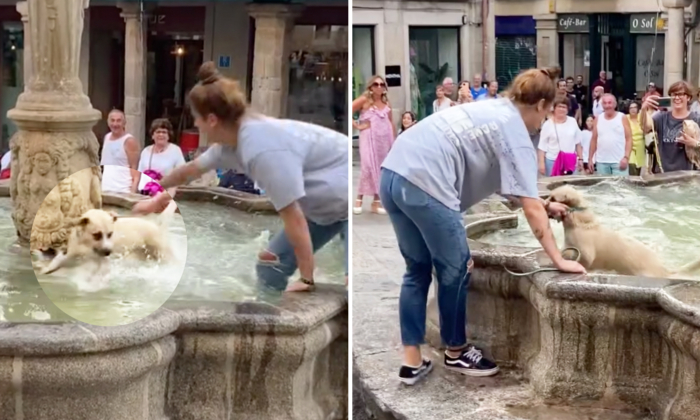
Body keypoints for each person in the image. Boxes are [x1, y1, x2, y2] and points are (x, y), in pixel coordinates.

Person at [378, 66, 586, 386]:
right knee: (458, 266)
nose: (541, 123)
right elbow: (529, 208)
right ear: (542, 105)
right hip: (427, 183)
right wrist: (558, 259)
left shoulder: (492, 108)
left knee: (417, 269)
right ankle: (457, 350)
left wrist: (545, 204)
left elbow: (510, 185)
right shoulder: (515, 130)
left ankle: (411, 362)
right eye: (544, 117)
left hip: (393, 174)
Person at [132, 61, 349, 292]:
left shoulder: (262, 150)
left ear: (212, 119)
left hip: (344, 201)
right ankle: (270, 319)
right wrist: (156, 198)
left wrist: (306, 279)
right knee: (269, 266)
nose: (196, 124)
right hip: (321, 209)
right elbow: (189, 171)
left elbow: (294, 217)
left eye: (197, 117)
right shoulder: (231, 141)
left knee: (351, 286)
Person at [352, 75, 396, 215]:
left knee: (380, 168)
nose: (379, 87)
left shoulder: (387, 103)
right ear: (370, 87)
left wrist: (395, 141)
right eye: (376, 84)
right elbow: (350, 110)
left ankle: (376, 202)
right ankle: (359, 198)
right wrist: (357, 126)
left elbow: (391, 122)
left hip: (384, 139)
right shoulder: (365, 100)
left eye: (382, 85)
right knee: (367, 166)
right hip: (369, 137)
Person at [641, 80, 700, 173]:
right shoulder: (661, 117)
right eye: (673, 94)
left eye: (680, 94)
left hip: (687, 176)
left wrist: (694, 143)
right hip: (662, 174)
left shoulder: (696, 119)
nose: (676, 98)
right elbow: (645, 128)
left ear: (688, 97)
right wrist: (644, 108)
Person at [137, 118, 186, 197]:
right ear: (153, 135)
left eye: (164, 132)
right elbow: (139, 174)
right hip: (146, 193)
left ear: (168, 135)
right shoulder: (145, 151)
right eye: (158, 132)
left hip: (166, 192)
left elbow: (181, 174)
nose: (161, 135)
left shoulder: (175, 150)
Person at [537, 96, 583, 176]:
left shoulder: (572, 121)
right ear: (554, 108)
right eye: (559, 106)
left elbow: (578, 142)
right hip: (552, 161)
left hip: (570, 161)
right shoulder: (547, 125)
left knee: (571, 186)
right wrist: (541, 163)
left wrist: (581, 159)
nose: (561, 109)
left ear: (568, 109)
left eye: (564, 107)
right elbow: (542, 146)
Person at [588, 94, 632, 176]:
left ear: (615, 104)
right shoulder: (598, 119)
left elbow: (629, 139)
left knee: (621, 187)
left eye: (610, 103)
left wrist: (626, 157)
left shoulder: (622, 117)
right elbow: (594, 139)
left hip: (619, 162)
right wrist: (590, 159)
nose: (607, 106)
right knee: (603, 188)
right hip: (601, 162)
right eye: (605, 103)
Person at [101, 109, 140, 193]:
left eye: (118, 121)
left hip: (123, 189)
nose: (115, 124)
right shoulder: (106, 137)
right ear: (108, 122)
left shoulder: (129, 141)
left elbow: (134, 167)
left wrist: (133, 190)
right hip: (106, 187)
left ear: (124, 123)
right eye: (112, 120)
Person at [625, 101, 645, 176]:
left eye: (635, 107)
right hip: (630, 146)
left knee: (638, 168)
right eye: (631, 108)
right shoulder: (625, 118)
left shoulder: (641, 117)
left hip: (640, 146)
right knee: (631, 165)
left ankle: (637, 184)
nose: (633, 109)